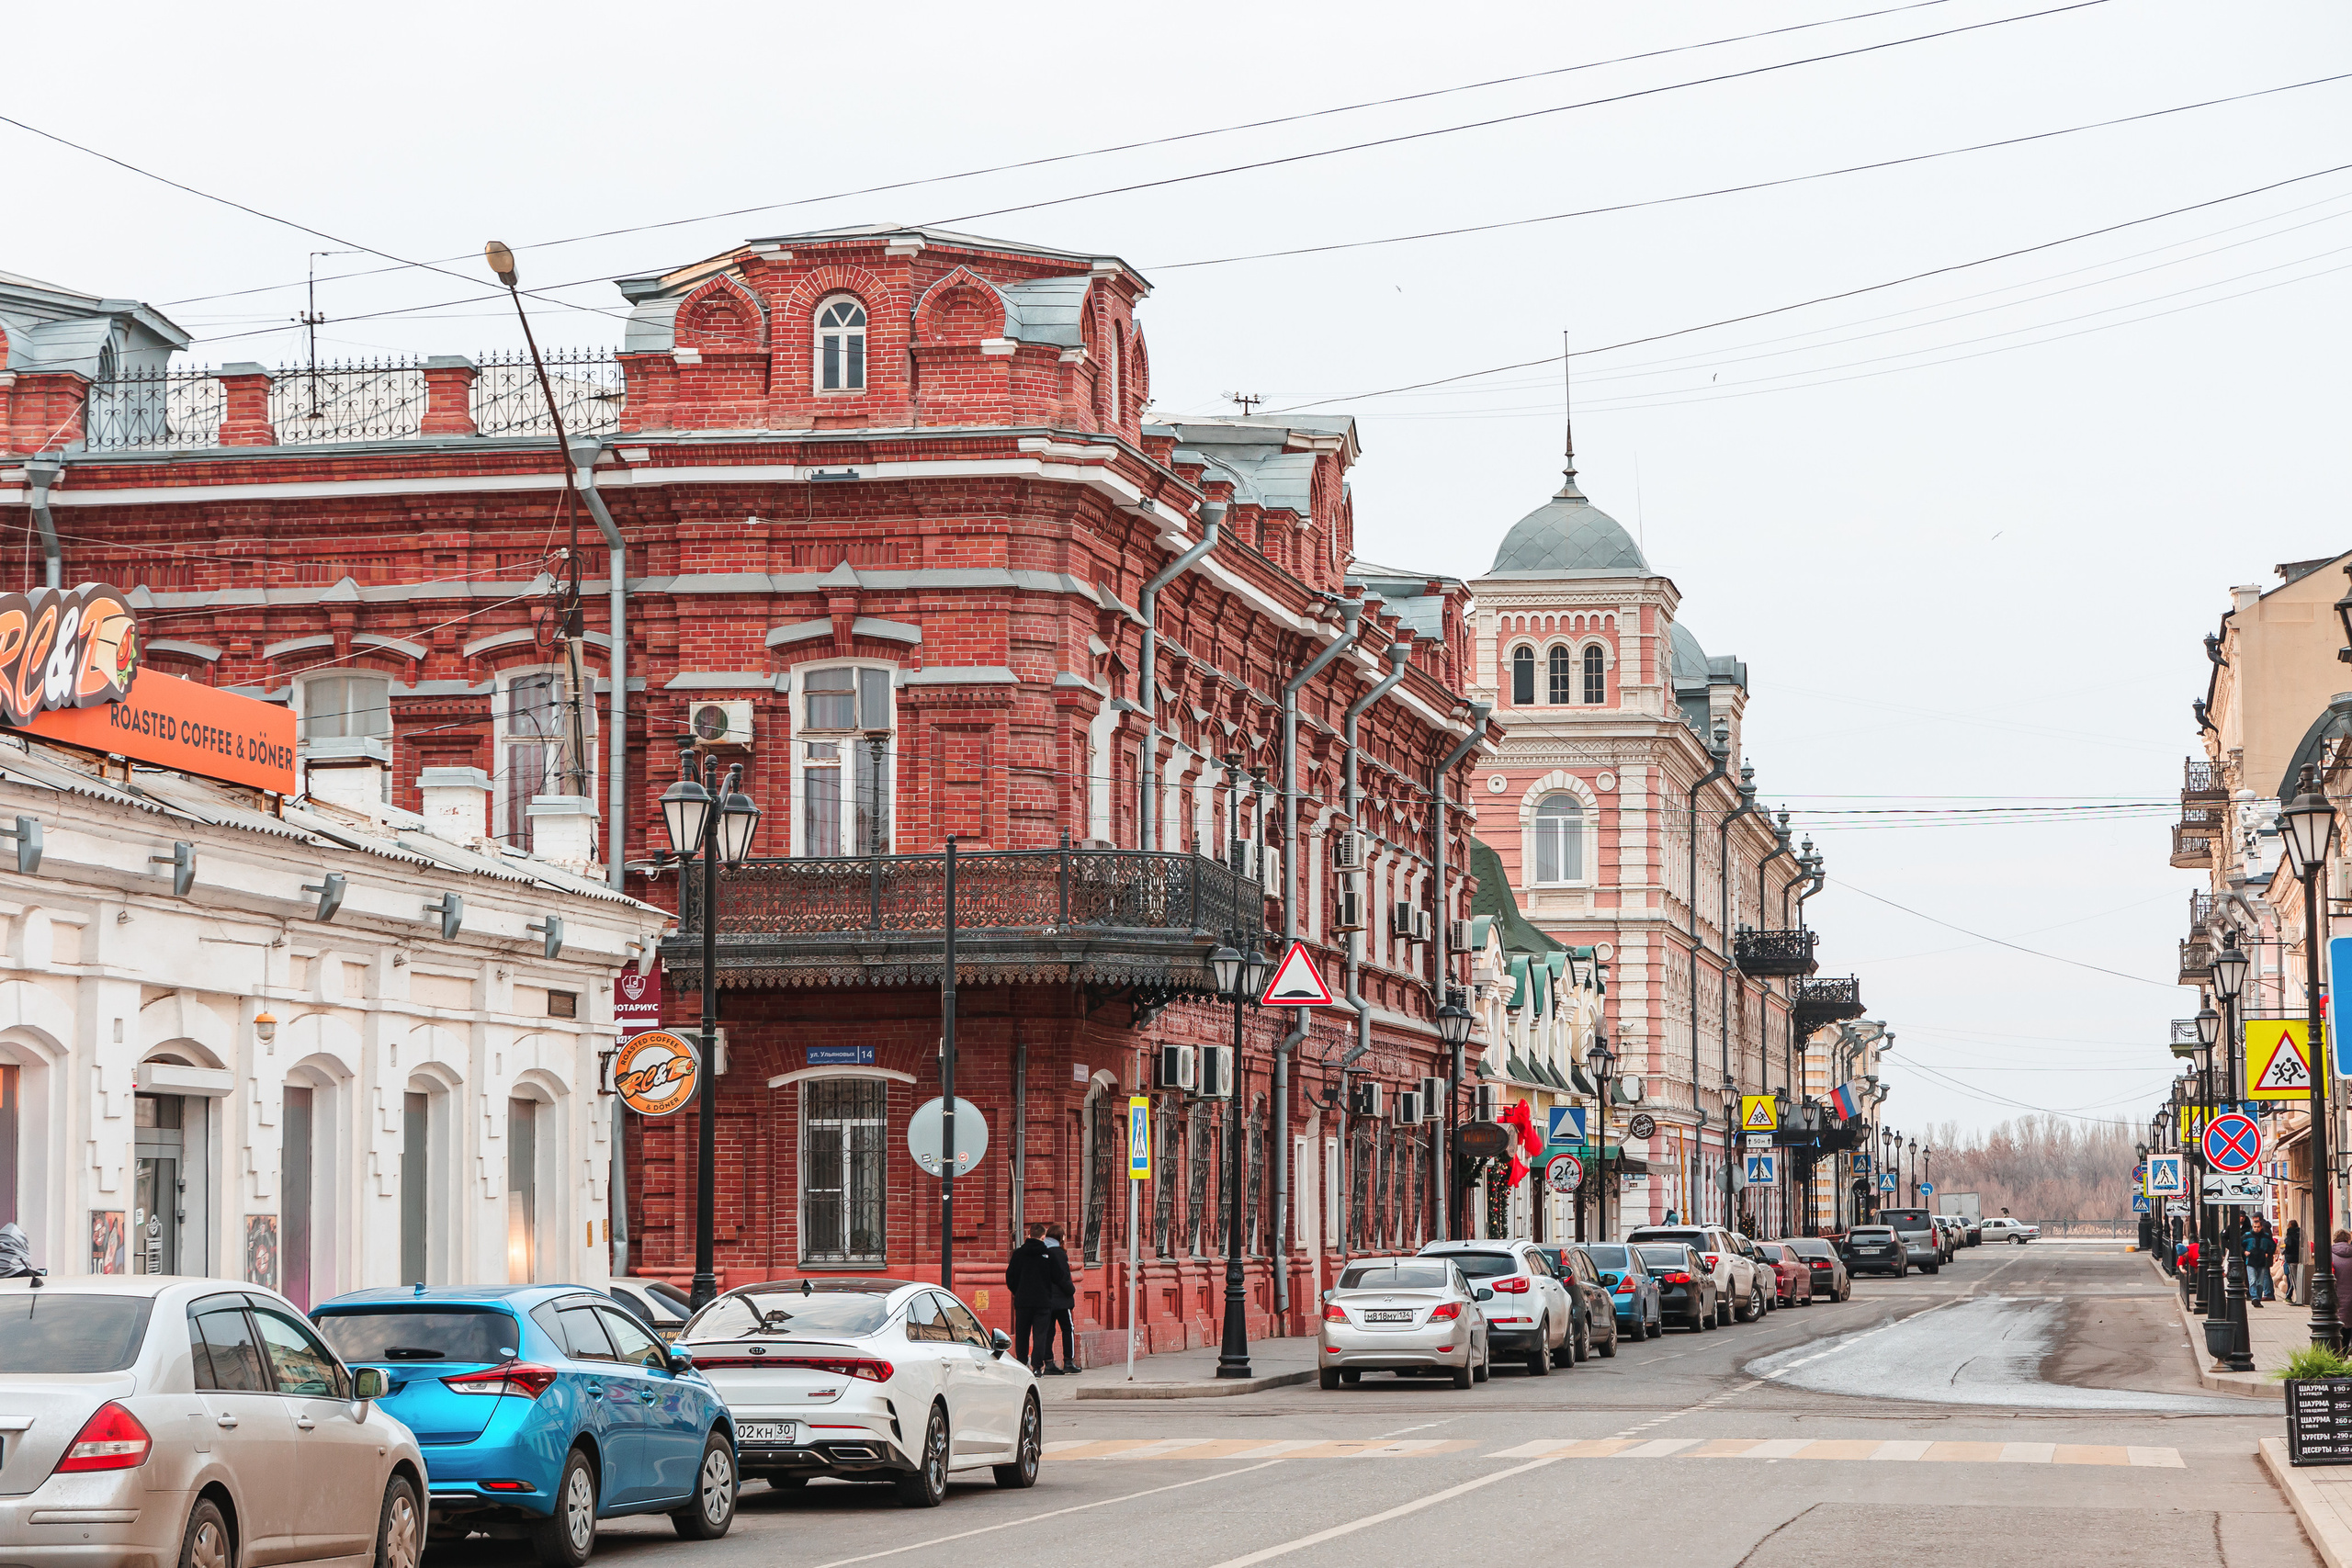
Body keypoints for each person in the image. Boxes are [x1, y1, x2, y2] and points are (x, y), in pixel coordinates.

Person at [1005, 1224, 1055, 1371]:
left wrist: (1017, 1291)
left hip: (1023, 1300)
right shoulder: (1048, 1254)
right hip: (1043, 1301)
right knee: (1040, 1335)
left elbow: (1010, 1276)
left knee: (1022, 1333)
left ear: (1029, 1235)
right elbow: (1056, 1276)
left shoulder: (1018, 1254)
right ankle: (1037, 1367)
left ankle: (1021, 1363)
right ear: (1043, 1237)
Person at [1042, 1221, 1079, 1374]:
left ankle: (1049, 1363)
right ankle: (1068, 1361)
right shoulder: (1059, 1253)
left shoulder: (1042, 1252)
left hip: (1046, 1298)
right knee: (1067, 1328)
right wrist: (1071, 1290)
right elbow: (1064, 1277)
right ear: (1060, 1237)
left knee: (1048, 1331)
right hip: (1061, 1300)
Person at [2246, 1217, 2277, 1306]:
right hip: (2251, 1262)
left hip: (2262, 1262)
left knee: (2260, 1282)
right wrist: (2244, 1252)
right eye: (2254, 1227)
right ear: (2252, 1227)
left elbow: (2272, 1246)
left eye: (2258, 1227)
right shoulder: (2248, 1236)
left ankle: (2258, 1298)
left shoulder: (2265, 1236)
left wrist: (2268, 1253)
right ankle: (2254, 1297)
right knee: (2252, 1280)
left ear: (2261, 1227)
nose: (2256, 1229)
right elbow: (2241, 1245)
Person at [2333, 1229, 2352, 1337]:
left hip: (2336, 1295)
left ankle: (2341, 1350)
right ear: (2348, 1239)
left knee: (2340, 1323)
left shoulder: (2329, 1255)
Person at [2287, 1218, 2304, 1303]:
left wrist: (2286, 1252)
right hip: (2300, 1257)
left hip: (2291, 1258)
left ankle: (2298, 1297)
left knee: (2294, 1278)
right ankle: (2301, 1296)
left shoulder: (2290, 1233)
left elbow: (2289, 1244)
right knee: (2300, 1277)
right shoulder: (2301, 1232)